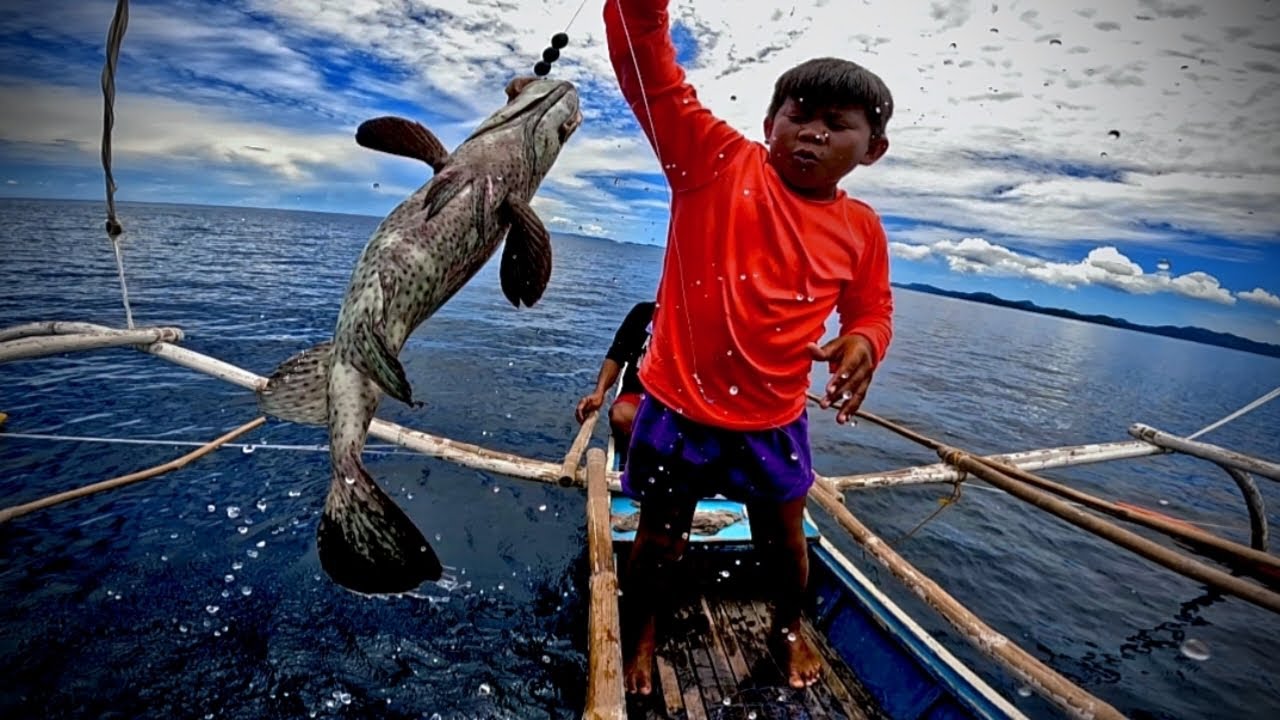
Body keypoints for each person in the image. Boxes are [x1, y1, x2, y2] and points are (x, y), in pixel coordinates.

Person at [602, 0, 895, 695]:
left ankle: (787, 631)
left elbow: (871, 308)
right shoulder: (712, 161)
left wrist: (864, 342)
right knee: (660, 536)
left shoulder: (862, 227)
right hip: (676, 409)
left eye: (837, 124)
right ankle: (640, 631)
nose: (814, 133)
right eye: (799, 114)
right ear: (769, 125)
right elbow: (646, 62)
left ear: (871, 149)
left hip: (774, 420)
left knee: (784, 546)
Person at [575, 300, 656, 464]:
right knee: (620, 415)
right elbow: (616, 355)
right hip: (638, 397)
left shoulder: (698, 324)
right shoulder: (643, 312)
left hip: (677, 405)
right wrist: (600, 392)